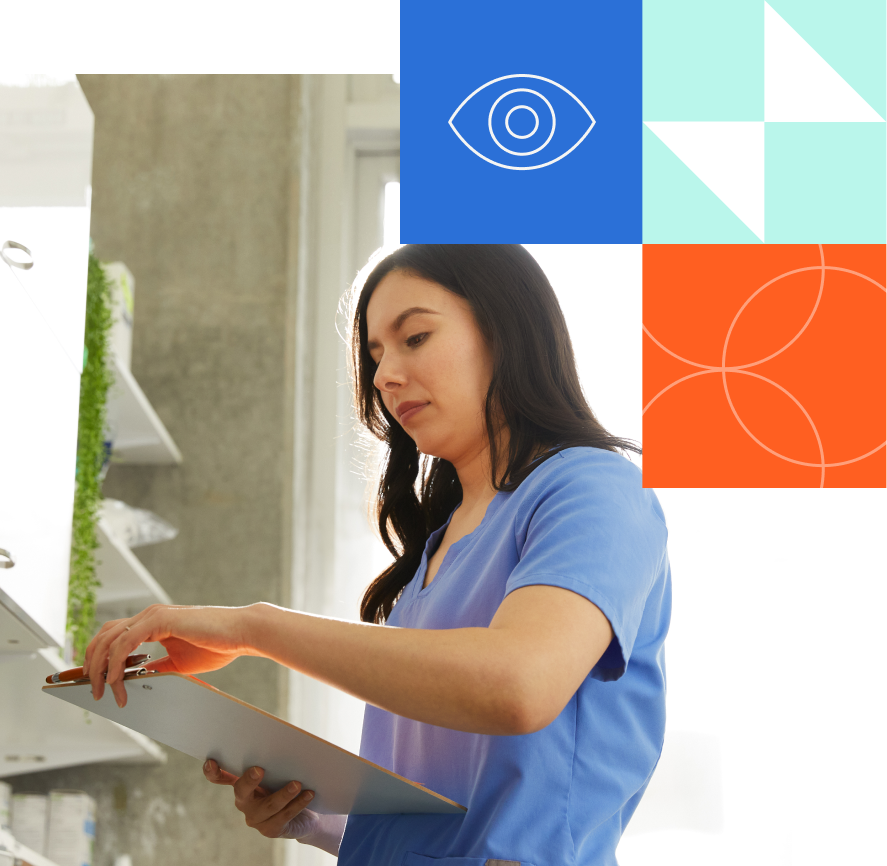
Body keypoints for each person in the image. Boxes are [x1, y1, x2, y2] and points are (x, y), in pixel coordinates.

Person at [84, 244, 671, 865]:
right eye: (375, 355)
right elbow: (453, 811)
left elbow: (518, 685)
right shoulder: (436, 550)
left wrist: (254, 628)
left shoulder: (596, 489)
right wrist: (317, 819)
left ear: (506, 332)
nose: (385, 375)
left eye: (414, 338)